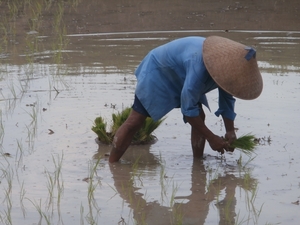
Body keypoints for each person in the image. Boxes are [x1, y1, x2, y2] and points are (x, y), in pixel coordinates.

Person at [109, 36, 263, 163]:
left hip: (182, 72)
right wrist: (211, 138)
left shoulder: (226, 72)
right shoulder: (199, 67)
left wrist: (230, 131)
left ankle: (198, 164)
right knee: (135, 121)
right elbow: (188, 111)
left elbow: (227, 99)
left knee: (200, 116)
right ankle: (112, 163)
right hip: (159, 70)